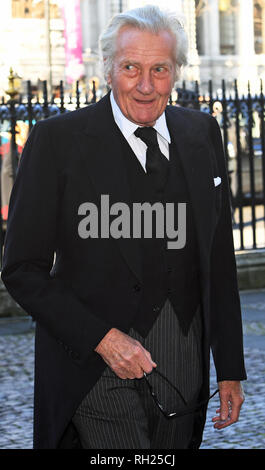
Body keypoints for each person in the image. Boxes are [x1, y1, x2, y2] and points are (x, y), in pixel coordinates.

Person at [1, 5, 246, 450]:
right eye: (131, 68)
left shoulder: (203, 133)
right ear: (109, 70)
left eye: (160, 69)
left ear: (178, 72)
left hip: (183, 353)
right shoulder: (56, 142)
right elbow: (21, 269)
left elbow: (219, 259)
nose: (146, 85)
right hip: (92, 361)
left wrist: (229, 367)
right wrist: (102, 339)